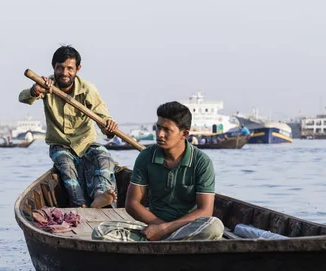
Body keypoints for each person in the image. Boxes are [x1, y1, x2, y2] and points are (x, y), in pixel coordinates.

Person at [19, 45, 118, 208]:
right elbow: (23, 98)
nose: (65, 73)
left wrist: (109, 128)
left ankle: (101, 195)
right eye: (60, 68)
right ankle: (80, 205)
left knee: (104, 157)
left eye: (70, 68)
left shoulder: (88, 89)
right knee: (66, 167)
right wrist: (35, 90)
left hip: (86, 144)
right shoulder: (46, 85)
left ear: (78, 69)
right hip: (60, 145)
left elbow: (103, 120)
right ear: (54, 67)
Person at [121, 101, 223, 241]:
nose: (159, 134)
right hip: (152, 227)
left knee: (214, 227)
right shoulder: (146, 157)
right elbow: (132, 204)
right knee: (101, 233)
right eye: (158, 128)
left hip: (187, 228)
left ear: (184, 134)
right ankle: (171, 240)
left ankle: (169, 240)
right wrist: (159, 228)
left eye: (167, 130)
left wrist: (165, 230)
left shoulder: (201, 162)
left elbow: (205, 211)